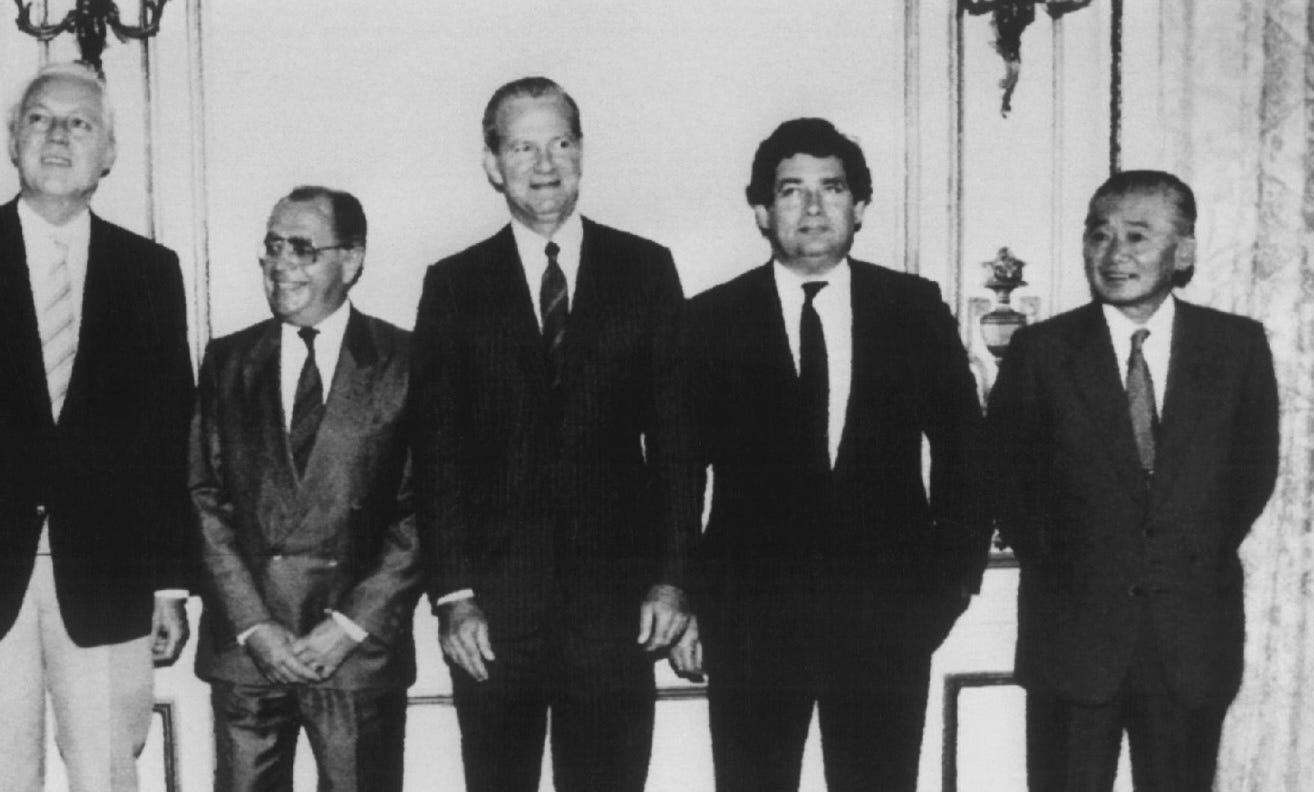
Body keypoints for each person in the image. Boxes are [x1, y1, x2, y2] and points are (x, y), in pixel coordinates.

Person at [0, 61, 196, 792]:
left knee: (107, 773)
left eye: (79, 123)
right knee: (0, 777)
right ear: (13, 139)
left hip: (110, 579)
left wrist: (170, 583)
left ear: (108, 153)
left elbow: (168, 438)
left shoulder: (149, 271)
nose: (57, 136)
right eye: (40, 119)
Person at [674, 117, 989, 792]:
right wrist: (686, 598)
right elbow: (678, 475)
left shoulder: (912, 308)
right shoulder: (709, 321)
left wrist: (950, 585)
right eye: (791, 190)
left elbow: (967, 453)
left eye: (832, 188)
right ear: (762, 211)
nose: (813, 208)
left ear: (860, 206)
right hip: (750, 624)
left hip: (887, 621)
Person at [410, 76, 699, 792]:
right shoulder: (453, 285)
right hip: (493, 618)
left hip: (617, 612)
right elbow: (436, 456)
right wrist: (454, 597)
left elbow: (677, 445)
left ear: (582, 152)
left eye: (560, 143)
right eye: (522, 147)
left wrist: (672, 581)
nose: (545, 165)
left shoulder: (646, 269)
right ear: (492, 163)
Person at [988, 170, 1280, 792]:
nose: (1114, 253)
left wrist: (1180, 555)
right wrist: (1078, 568)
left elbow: (1251, 476)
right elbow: (1009, 484)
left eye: (1138, 236)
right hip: (1072, 643)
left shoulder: (1236, 348)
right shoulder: (1041, 351)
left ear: (1185, 251)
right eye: (1100, 235)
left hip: (1190, 645)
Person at [190, 186, 419, 792]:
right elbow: (203, 498)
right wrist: (255, 626)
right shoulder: (227, 360)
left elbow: (423, 511)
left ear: (351, 259)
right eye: (272, 247)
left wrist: (348, 626)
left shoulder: (406, 361)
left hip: (356, 655)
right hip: (249, 652)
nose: (280, 263)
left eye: (302, 249)